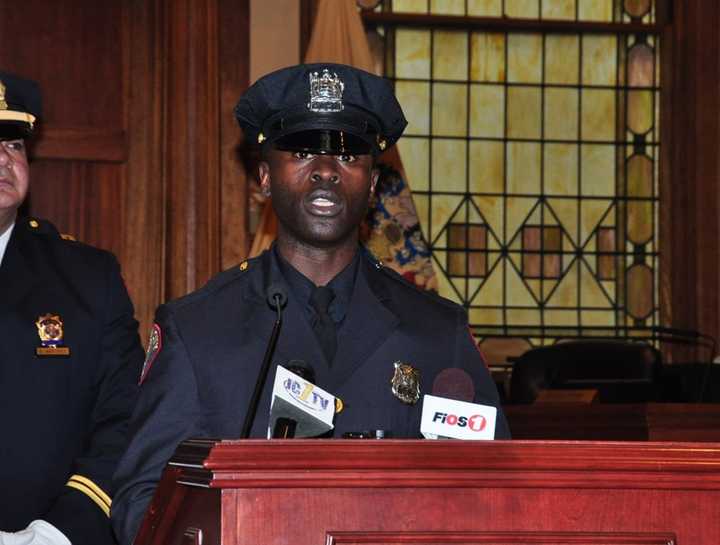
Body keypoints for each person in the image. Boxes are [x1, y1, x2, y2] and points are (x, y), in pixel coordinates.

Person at [110, 63, 510, 545]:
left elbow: (495, 498)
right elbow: (143, 505)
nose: (325, 170)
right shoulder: (197, 329)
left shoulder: (436, 332)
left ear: (374, 184)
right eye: (302, 152)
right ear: (263, 177)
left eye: (348, 155)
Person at [0, 72, 144, 545]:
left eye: (14, 144)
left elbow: (124, 417)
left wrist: (58, 532)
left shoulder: (88, 279)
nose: (4, 158)